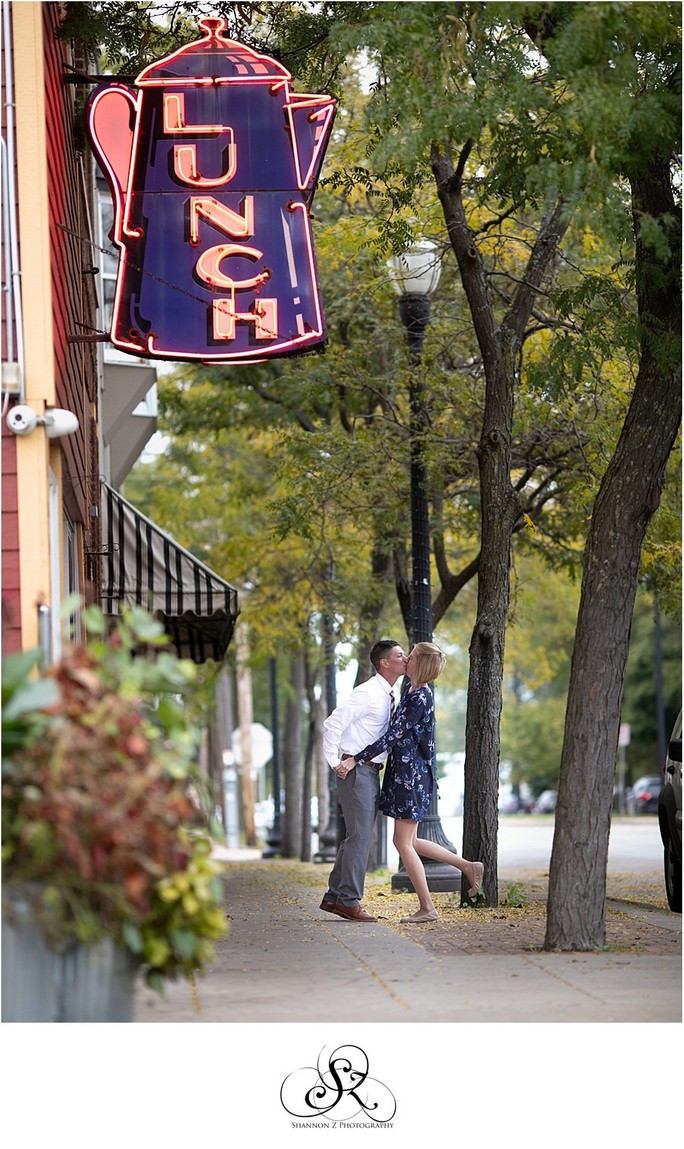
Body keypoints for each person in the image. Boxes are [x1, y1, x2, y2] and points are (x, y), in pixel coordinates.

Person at [336, 641, 484, 923]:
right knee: (410, 841)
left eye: (411, 656)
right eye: (405, 655)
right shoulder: (410, 690)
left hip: (412, 777)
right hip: (404, 774)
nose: (406, 659)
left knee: (403, 843)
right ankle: (468, 866)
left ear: (421, 664)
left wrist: (354, 758)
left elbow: (393, 735)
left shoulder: (420, 698)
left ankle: (428, 907)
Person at [320, 638, 407, 922]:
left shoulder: (388, 693)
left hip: (369, 770)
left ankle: (335, 896)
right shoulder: (368, 693)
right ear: (384, 663)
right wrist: (335, 762)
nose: (404, 658)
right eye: (399, 654)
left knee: (355, 836)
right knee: (360, 837)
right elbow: (333, 723)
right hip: (357, 770)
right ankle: (348, 900)